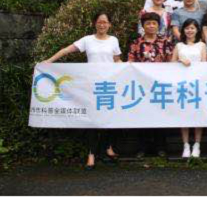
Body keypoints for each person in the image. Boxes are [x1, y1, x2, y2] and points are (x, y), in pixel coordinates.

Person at [42, 12, 122, 170]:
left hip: (109, 85)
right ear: (95, 23)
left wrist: (131, 68)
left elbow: (117, 60)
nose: (102, 25)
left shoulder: (114, 40)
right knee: (92, 120)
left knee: (109, 118)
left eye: (105, 22)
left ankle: (107, 147)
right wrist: (49, 61)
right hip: (91, 85)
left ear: (109, 24)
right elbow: (66, 50)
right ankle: (91, 155)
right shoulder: (87, 40)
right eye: (99, 22)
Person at [128, 12, 175, 158]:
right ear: (143, 26)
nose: (151, 26)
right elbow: (130, 62)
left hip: (160, 86)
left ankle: (161, 147)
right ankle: (142, 147)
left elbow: (171, 61)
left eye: (154, 23)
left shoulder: (165, 42)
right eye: (148, 23)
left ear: (158, 26)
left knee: (160, 116)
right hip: (141, 86)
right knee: (142, 116)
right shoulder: (136, 43)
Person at [172, 19, 207, 159]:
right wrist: (180, 61)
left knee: (198, 115)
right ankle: (186, 145)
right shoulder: (179, 45)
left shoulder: (202, 45)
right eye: (187, 28)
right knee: (184, 115)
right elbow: (171, 63)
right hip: (182, 85)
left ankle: (197, 145)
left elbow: (205, 64)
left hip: (197, 84)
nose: (190, 31)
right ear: (183, 30)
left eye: (192, 28)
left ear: (197, 30)